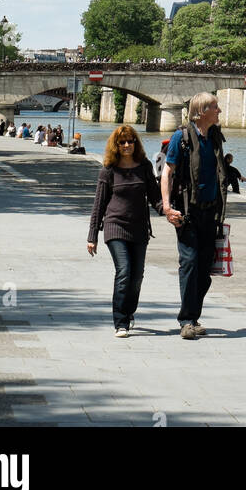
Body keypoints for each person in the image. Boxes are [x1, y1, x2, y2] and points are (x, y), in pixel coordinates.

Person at [161, 93, 229, 340]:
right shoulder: (182, 137)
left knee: (204, 269)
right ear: (201, 111)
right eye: (215, 107)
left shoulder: (215, 137)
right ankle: (187, 320)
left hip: (211, 212)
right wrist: (167, 207)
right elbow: (167, 173)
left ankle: (193, 315)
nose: (219, 111)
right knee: (189, 263)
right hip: (187, 212)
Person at [86, 126, 163, 338]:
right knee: (124, 271)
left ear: (136, 143)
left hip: (139, 229)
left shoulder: (145, 167)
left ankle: (128, 312)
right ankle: (120, 322)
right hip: (115, 226)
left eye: (130, 141)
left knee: (137, 277)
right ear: (116, 145)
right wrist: (92, 236)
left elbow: (155, 197)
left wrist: (167, 211)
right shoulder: (109, 170)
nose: (127, 145)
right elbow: (99, 205)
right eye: (122, 142)